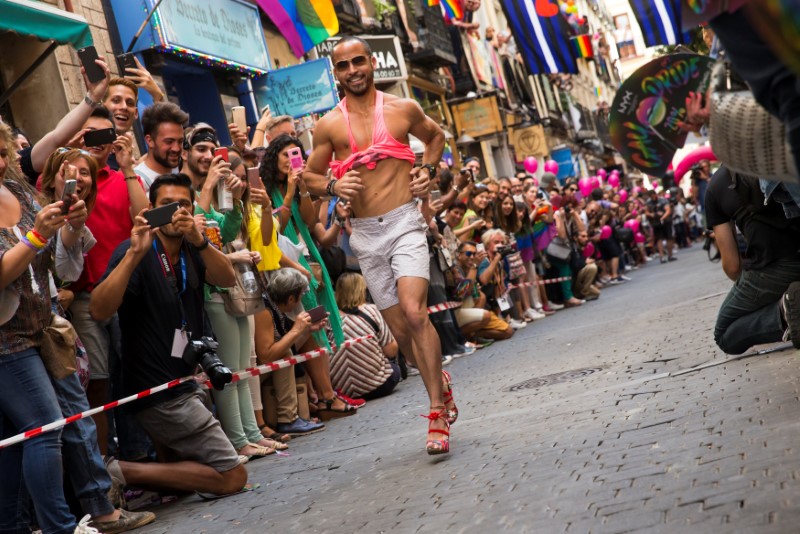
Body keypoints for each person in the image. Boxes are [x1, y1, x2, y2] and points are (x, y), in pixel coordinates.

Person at [305, 36, 455, 455]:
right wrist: (334, 184)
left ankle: (436, 411)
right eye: (343, 66)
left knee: (413, 311)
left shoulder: (403, 108)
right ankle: (439, 384)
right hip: (366, 235)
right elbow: (309, 178)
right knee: (402, 330)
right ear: (335, 73)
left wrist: (426, 170)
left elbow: (437, 136)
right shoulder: (329, 125)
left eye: (359, 62)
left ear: (372, 63)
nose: (353, 70)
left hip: (406, 221)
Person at [89, 174, 248, 496]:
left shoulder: (194, 248)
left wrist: (201, 240)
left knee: (186, 477)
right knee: (233, 477)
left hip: (184, 380)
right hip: (155, 390)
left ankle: (157, 476)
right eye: (167, 205)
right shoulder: (135, 251)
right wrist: (134, 253)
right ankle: (116, 470)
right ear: (150, 210)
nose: (176, 212)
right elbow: (99, 310)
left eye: (184, 205)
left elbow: (227, 278)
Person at [38, 147, 156, 531]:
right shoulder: (32, 209)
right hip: (39, 328)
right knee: (66, 415)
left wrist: (72, 226)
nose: (78, 179)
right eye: (69, 172)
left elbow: (64, 268)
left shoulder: (77, 221)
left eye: (85, 173)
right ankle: (86, 506)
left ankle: (99, 496)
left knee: (91, 398)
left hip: (55, 323)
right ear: (53, 174)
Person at [0, 123, 86, 533]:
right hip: (5, 338)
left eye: (2, 153)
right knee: (45, 427)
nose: (0, 163)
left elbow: (55, 263)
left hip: (38, 327)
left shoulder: (17, 192)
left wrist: (68, 225)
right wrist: (36, 235)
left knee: (15, 444)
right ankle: (61, 527)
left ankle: (16, 527)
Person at [68, 106, 150, 456]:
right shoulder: (69, 179)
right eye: (90, 134)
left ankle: (139, 455)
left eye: (105, 134)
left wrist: (128, 165)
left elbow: (144, 217)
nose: (98, 142)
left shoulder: (120, 178)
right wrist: (71, 151)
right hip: (85, 297)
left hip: (124, 290)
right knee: (98, 383)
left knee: (133, 375)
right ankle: (109, 464)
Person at [705, 167, 800, 354]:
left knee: (724, 334)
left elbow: (732, 266)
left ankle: (786, 312)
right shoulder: (782, 155)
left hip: (775, 264)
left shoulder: (715, 187)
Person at [252, 268, 338, 432]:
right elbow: (266, 356)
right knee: (285, 355)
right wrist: (296, 331)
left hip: (261, 371)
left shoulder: (276, 309)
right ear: (291, 298)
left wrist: (306, 330)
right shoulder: (264, 311)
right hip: (254, 375)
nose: (301, 301)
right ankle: (288, 418)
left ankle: (290, 417)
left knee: (286, 353)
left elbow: (283, 343)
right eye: (300, 296)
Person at [331, 272, 401, 400]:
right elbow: (391, 350)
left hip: (343, 392)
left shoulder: (330, 319)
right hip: (378, 386)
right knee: (394, 366)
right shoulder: (372, 310)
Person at [454, 241, 514, 341]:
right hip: (457, 312)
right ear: (459, 255)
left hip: (473, 309)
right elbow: (462, 293)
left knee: (508, 331)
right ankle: (462, 337)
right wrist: (474, 266)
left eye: (475, 254)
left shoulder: (470, 268)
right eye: (469, 253)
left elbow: (474, 294)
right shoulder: (455, 269)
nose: (472, 257)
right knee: (485, 314)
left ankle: (475, 334)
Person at [134, 102, 189, 190]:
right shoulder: (137, 181)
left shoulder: (180, 175)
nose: (176, 148)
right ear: (150, 140)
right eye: (169, 141)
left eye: (180, 141)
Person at [645, 189, 675, 263]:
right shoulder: (648, 202)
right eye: (651, 197)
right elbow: (646, 212)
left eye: (654, 196)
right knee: (659, 239)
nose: (653, 198)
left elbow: (668, 210)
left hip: (666, 221)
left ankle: (670, 255)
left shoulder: (663, 200)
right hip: (656, 223)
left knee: (669, 238)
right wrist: (651, 214)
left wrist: (663, 217)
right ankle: (661, 256)